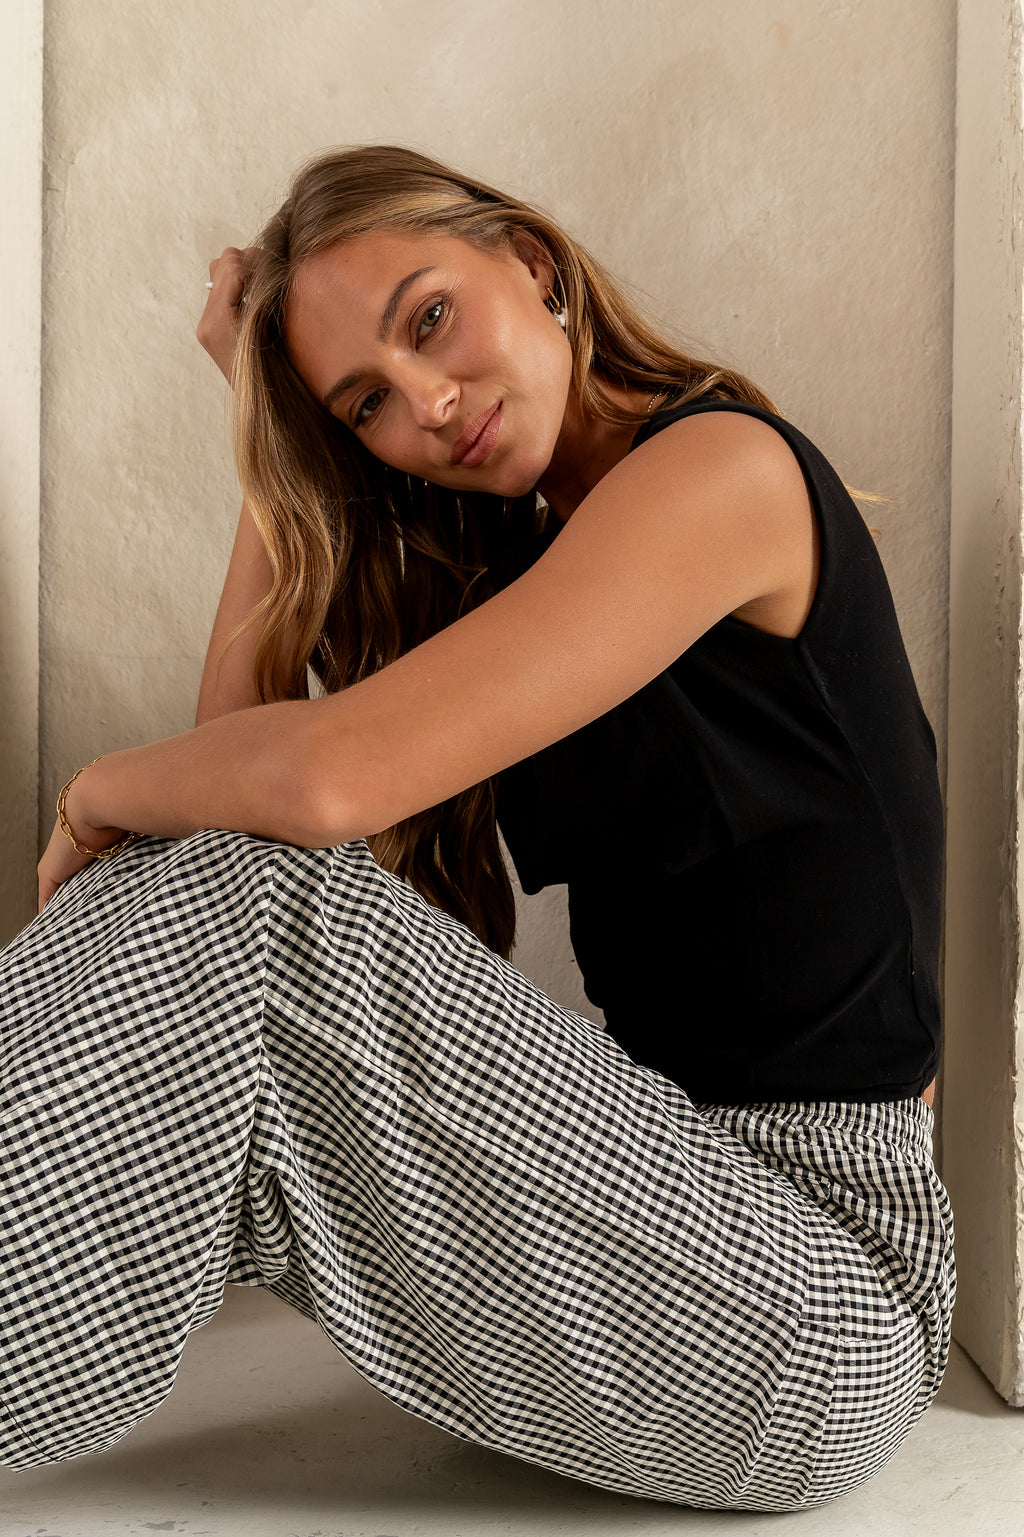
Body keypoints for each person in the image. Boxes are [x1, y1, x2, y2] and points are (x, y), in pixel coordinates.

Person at [0, 145, 953, 1511]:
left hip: (823, 1294)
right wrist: (272, 430)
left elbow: (315, 787)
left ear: (532, 260)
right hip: (663, 1220)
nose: (429, 404)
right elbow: (234, 794)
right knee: (225, 869)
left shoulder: (724, 471)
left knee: (257, 897)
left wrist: (94, 788)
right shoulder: (523, 557)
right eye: (367, 404)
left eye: (430, 318)